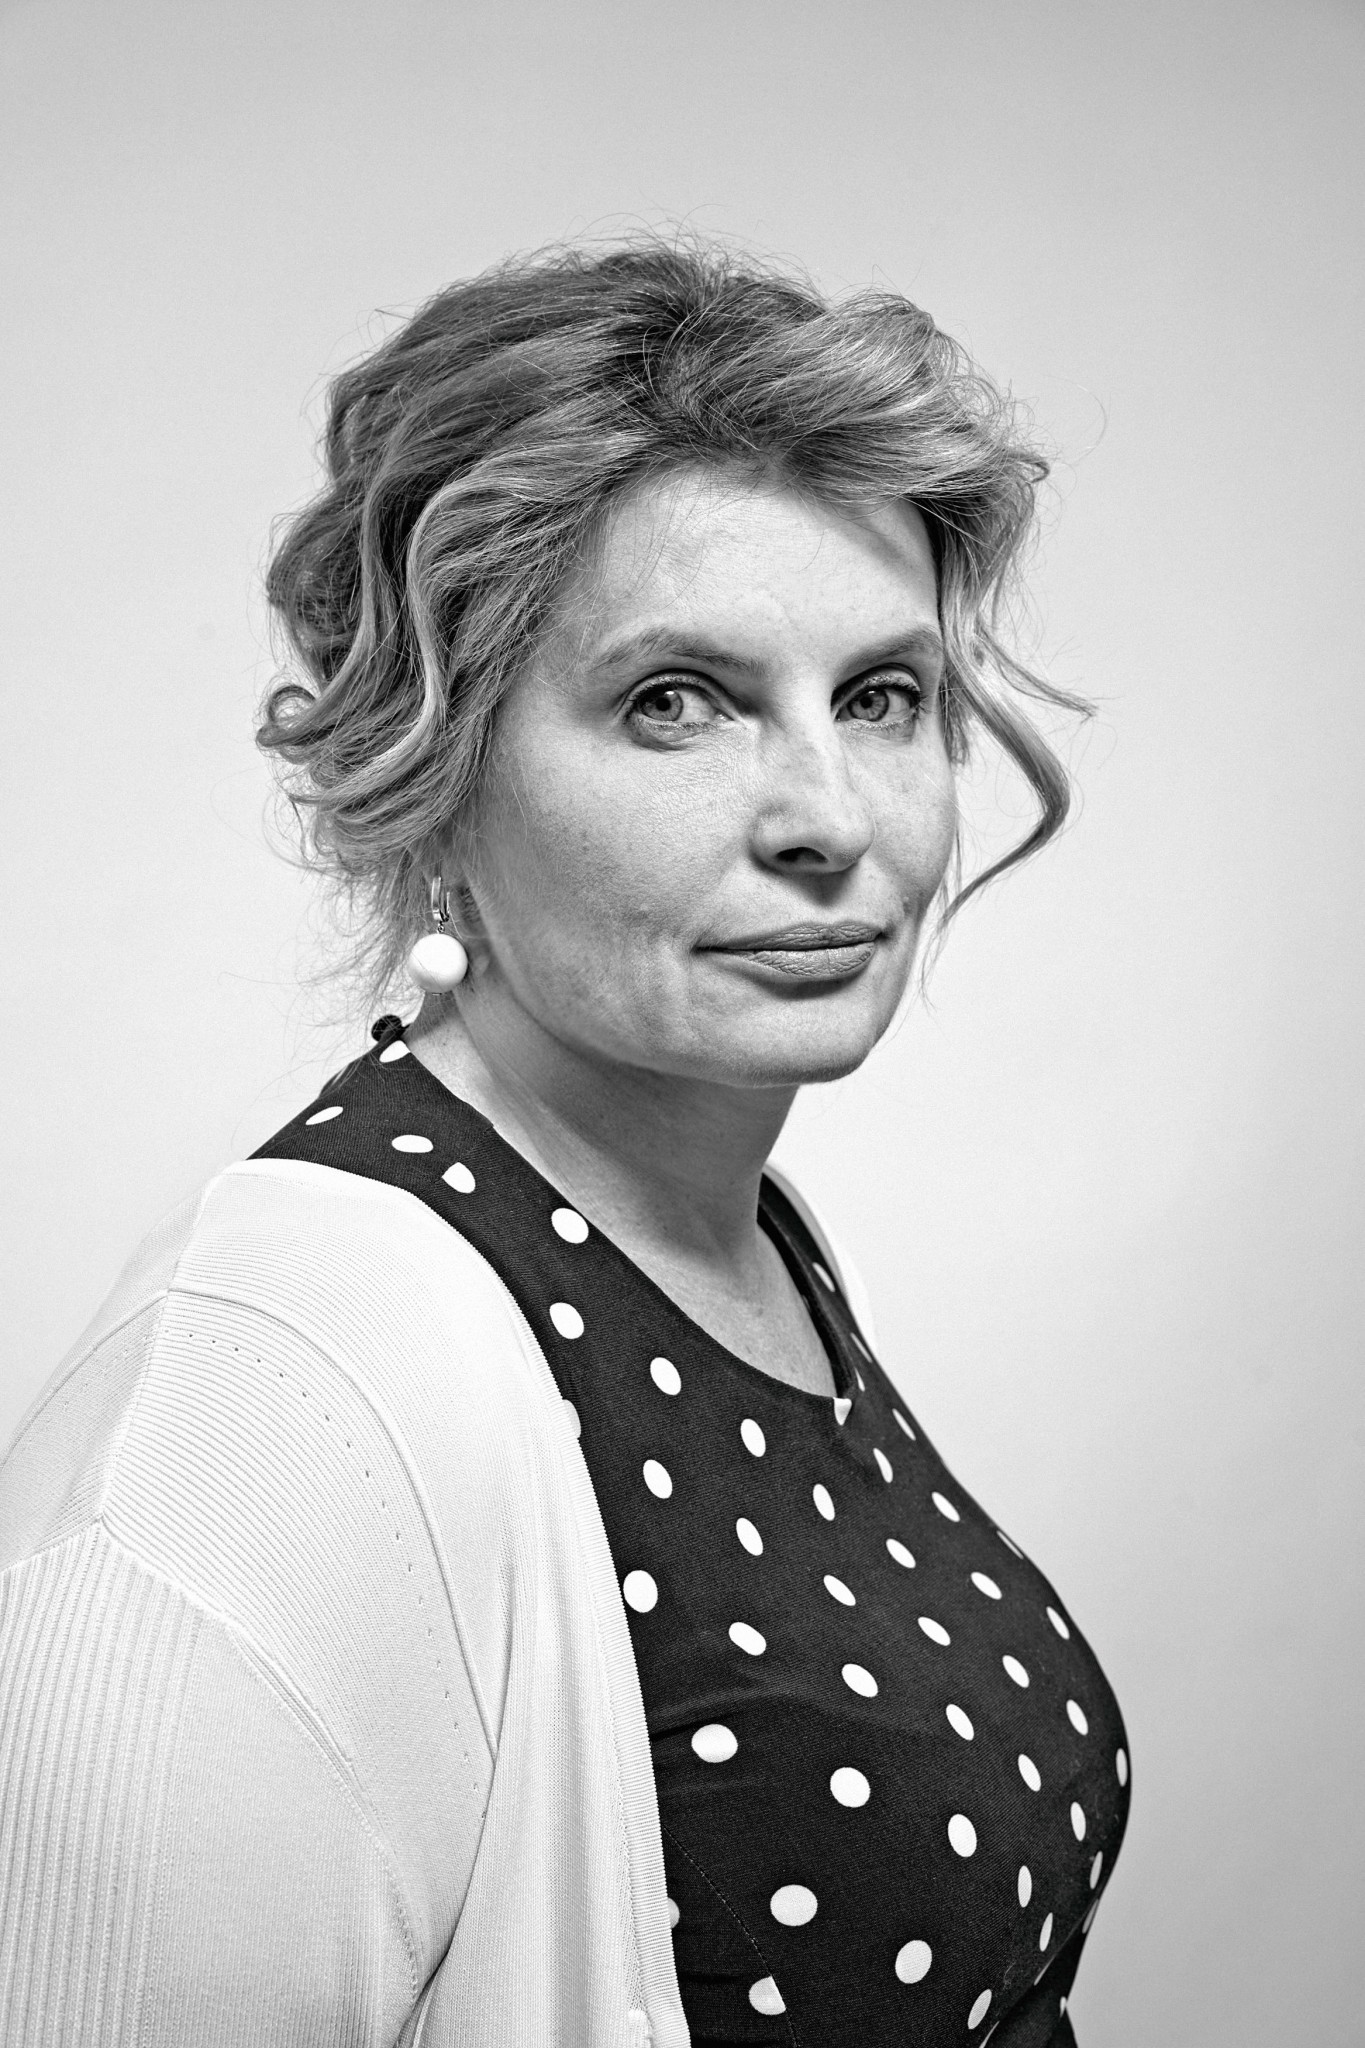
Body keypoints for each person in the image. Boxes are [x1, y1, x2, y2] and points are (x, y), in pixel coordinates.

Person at [0, 239, 1129, 2047]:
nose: (828, 819)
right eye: (675, 699)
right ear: (434, 766)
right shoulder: (278, 1399)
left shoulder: (740, 1237)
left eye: (880, 696)